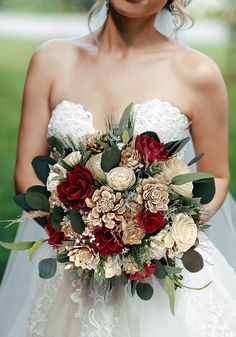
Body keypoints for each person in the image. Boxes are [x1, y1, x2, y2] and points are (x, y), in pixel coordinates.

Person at [1, 1, 236, 336]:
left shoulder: (198, 73)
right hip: (78, 276)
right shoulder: (51, 60)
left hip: (163, 277)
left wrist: (159, 240)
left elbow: (217, 174)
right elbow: (27, 173)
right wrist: (83, 239)